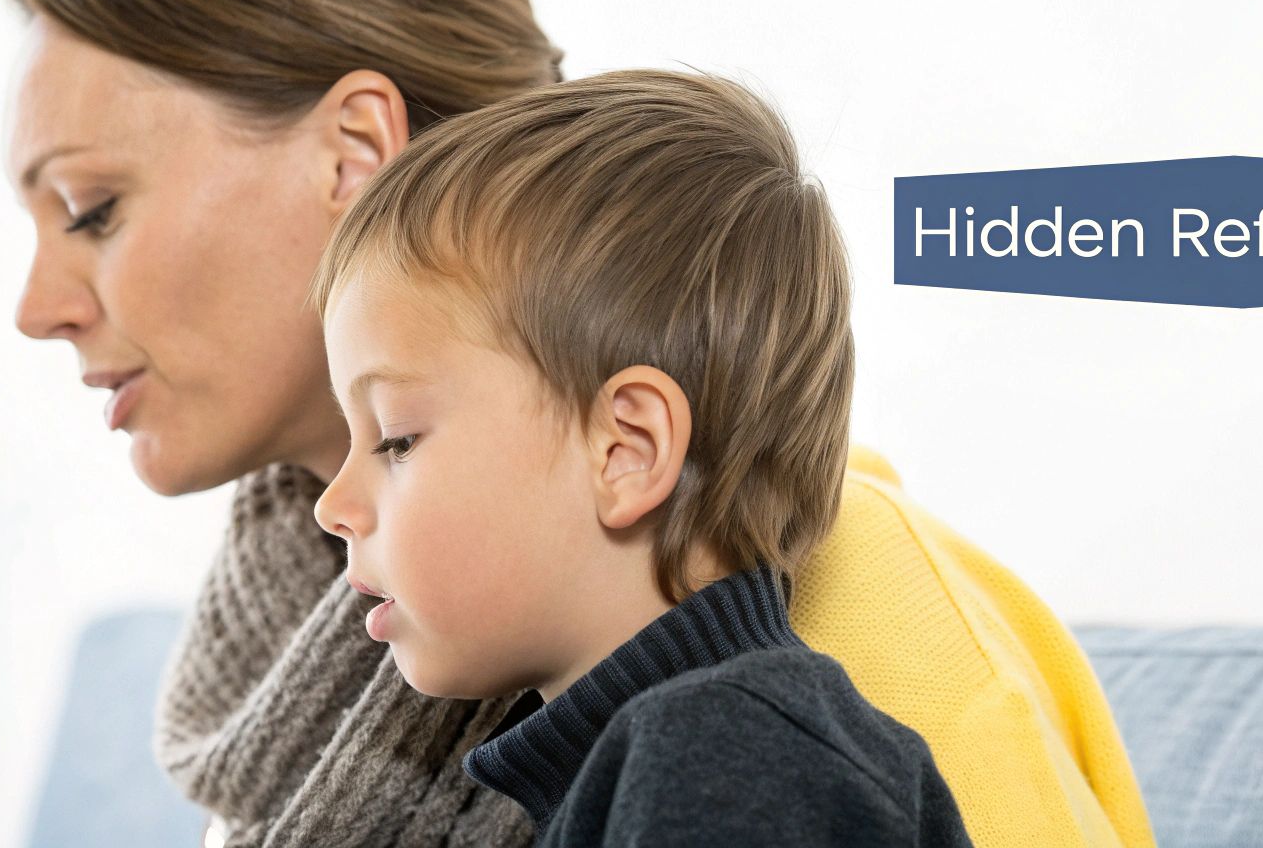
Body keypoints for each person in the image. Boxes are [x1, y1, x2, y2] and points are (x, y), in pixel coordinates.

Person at [3, 0, 1156, 848]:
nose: (34, 305)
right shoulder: (345, 634)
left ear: (354, 156)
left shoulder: (824, 614)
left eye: (91, 208)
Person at [307, 67, 972, 845]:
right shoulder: (689, 752)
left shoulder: (734, 757)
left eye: (395, 438)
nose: (333, 505)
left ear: (626, 450)